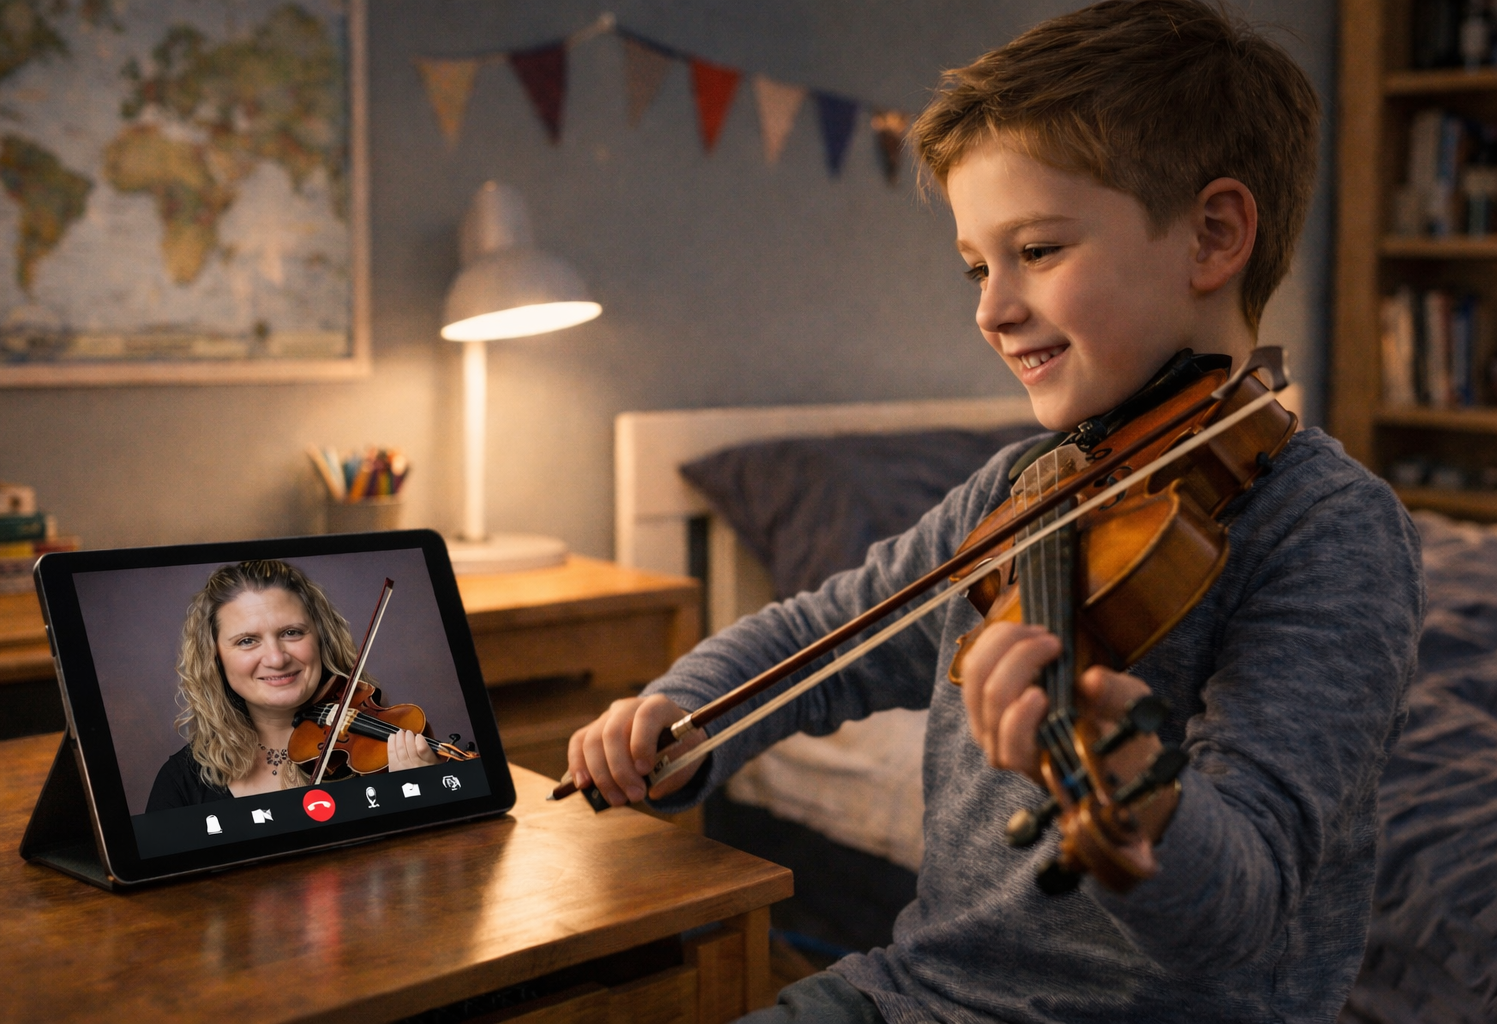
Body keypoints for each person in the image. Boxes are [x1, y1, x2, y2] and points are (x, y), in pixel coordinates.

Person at [565, 2, 1425, 1022]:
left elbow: (1242, 903)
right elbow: (821, 634)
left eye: (1039, 250)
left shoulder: (1330, 530)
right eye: (978, 266)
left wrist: (1132, 783)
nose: (990, 308)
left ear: (1213, 235)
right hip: (923, 989)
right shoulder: (1025, 489)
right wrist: (682, 713)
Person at [146, 559, 439, 811]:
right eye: (247, 640)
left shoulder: (384, 754)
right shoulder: (179, 784)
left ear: (321, 640)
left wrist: (423, 797)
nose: (276, 658)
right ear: (215, 658)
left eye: (291, 632)